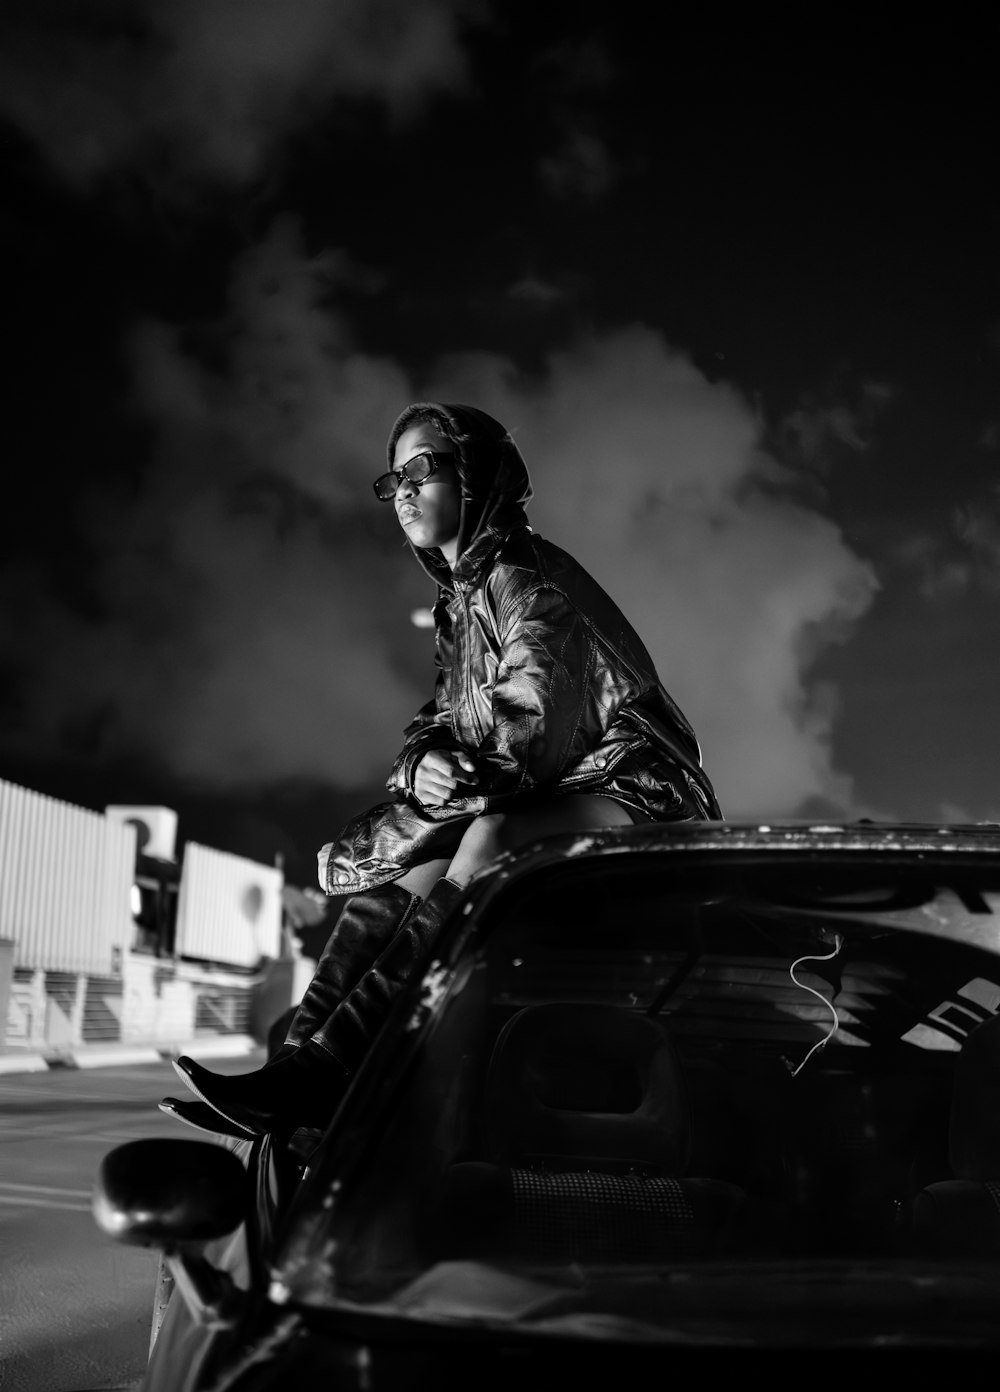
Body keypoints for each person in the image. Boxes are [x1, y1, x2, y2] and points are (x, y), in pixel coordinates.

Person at [164, 402, 721, 1140]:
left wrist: (421, 798)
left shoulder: (529, 579)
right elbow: (443, 723)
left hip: (638, 788)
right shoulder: (463, 595)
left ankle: (327, 1076)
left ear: (477, 474)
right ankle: (300, 1069)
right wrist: (421, 763)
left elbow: (529, 739)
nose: (401, 489)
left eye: (421, 468)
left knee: (485, 837)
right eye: (392, 476)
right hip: (556, 783)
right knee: (410, 877)